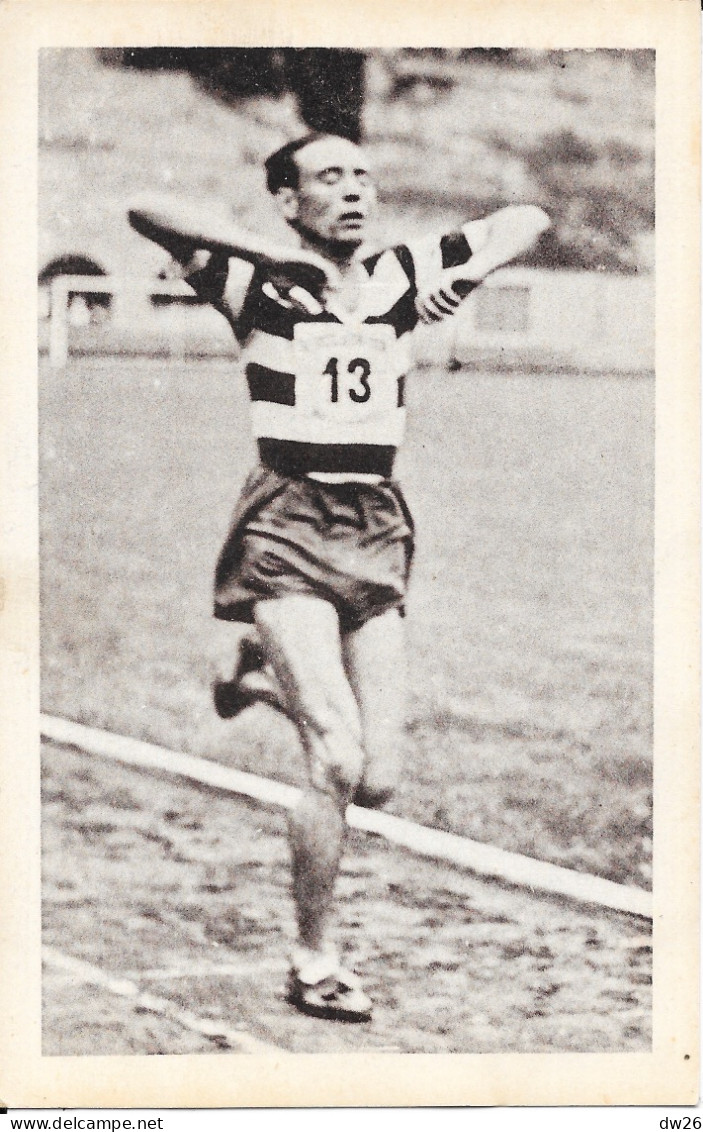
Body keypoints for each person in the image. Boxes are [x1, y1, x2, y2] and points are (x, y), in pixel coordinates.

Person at [128, 133, 549, 1023]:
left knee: (379, 776)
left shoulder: (403, 275)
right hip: (285, 522)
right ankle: (313, 959)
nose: (353, 191)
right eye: (330, 178)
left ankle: (249, 675)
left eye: (363, 175)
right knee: (337, 756)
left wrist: (459, 275)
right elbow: (146, 214)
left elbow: (528, 218)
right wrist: (266, 250)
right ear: (289, 201)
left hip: (377, 526)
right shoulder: (259, 284)